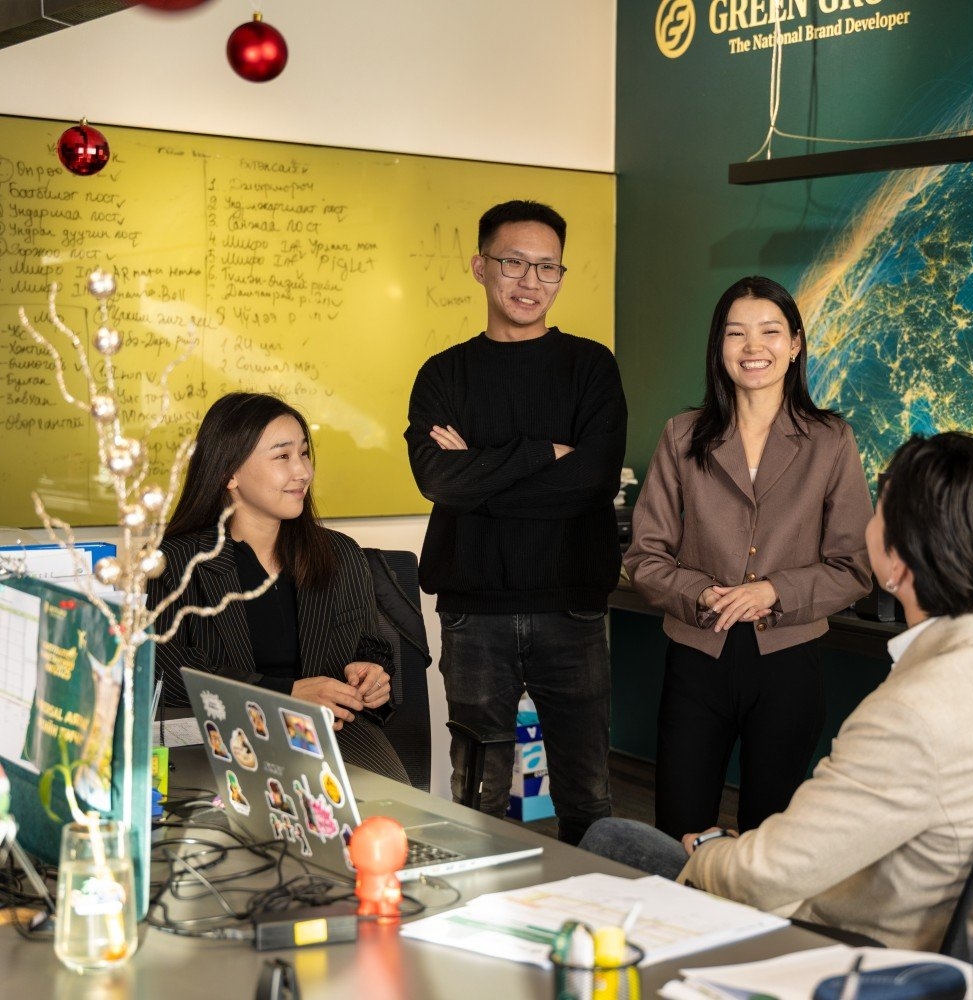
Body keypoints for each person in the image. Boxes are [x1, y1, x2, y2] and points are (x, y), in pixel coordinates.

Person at [583, 432, 973, 950]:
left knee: (611, 839)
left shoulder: (910, 713)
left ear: (898, 564)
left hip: (845, 941)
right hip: (924, 910)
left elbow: (765, 877)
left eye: (878, 515)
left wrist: (712, 850)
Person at [405, 199, 626, 845]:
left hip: (573, 607)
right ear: (481, 267)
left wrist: (476, 476)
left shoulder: (591, 366)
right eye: (514, 263)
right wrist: (538, 453)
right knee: (478, 796)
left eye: (547, 267)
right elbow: (436, 481)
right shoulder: (443, 373)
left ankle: (595, 902)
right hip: (474, 612)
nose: (531, 281)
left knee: (587, 793)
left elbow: (591, 482)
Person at [624, 275, 873, 840]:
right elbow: (646, 555)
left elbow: (855, 565)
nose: (753, 347)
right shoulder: (681, 435)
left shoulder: (831, 440)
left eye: (770, 331)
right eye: (736, 333)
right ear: (719, 346)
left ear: (796, 344)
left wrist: (774, 591)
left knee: (771, 837)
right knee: (680, 831)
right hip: (696, 658)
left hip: (789, 663)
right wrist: (701, 593)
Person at [149, 392, 407, 782]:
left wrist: (372, 677)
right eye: (283, 456)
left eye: (304, 453)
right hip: (224, 741)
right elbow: (163, 670)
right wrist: (284, 693)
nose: (302, 471)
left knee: (390, 813)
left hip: (335, 739)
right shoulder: (174, 562)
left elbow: (372, 648)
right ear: (229, 473)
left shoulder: (340, 553)